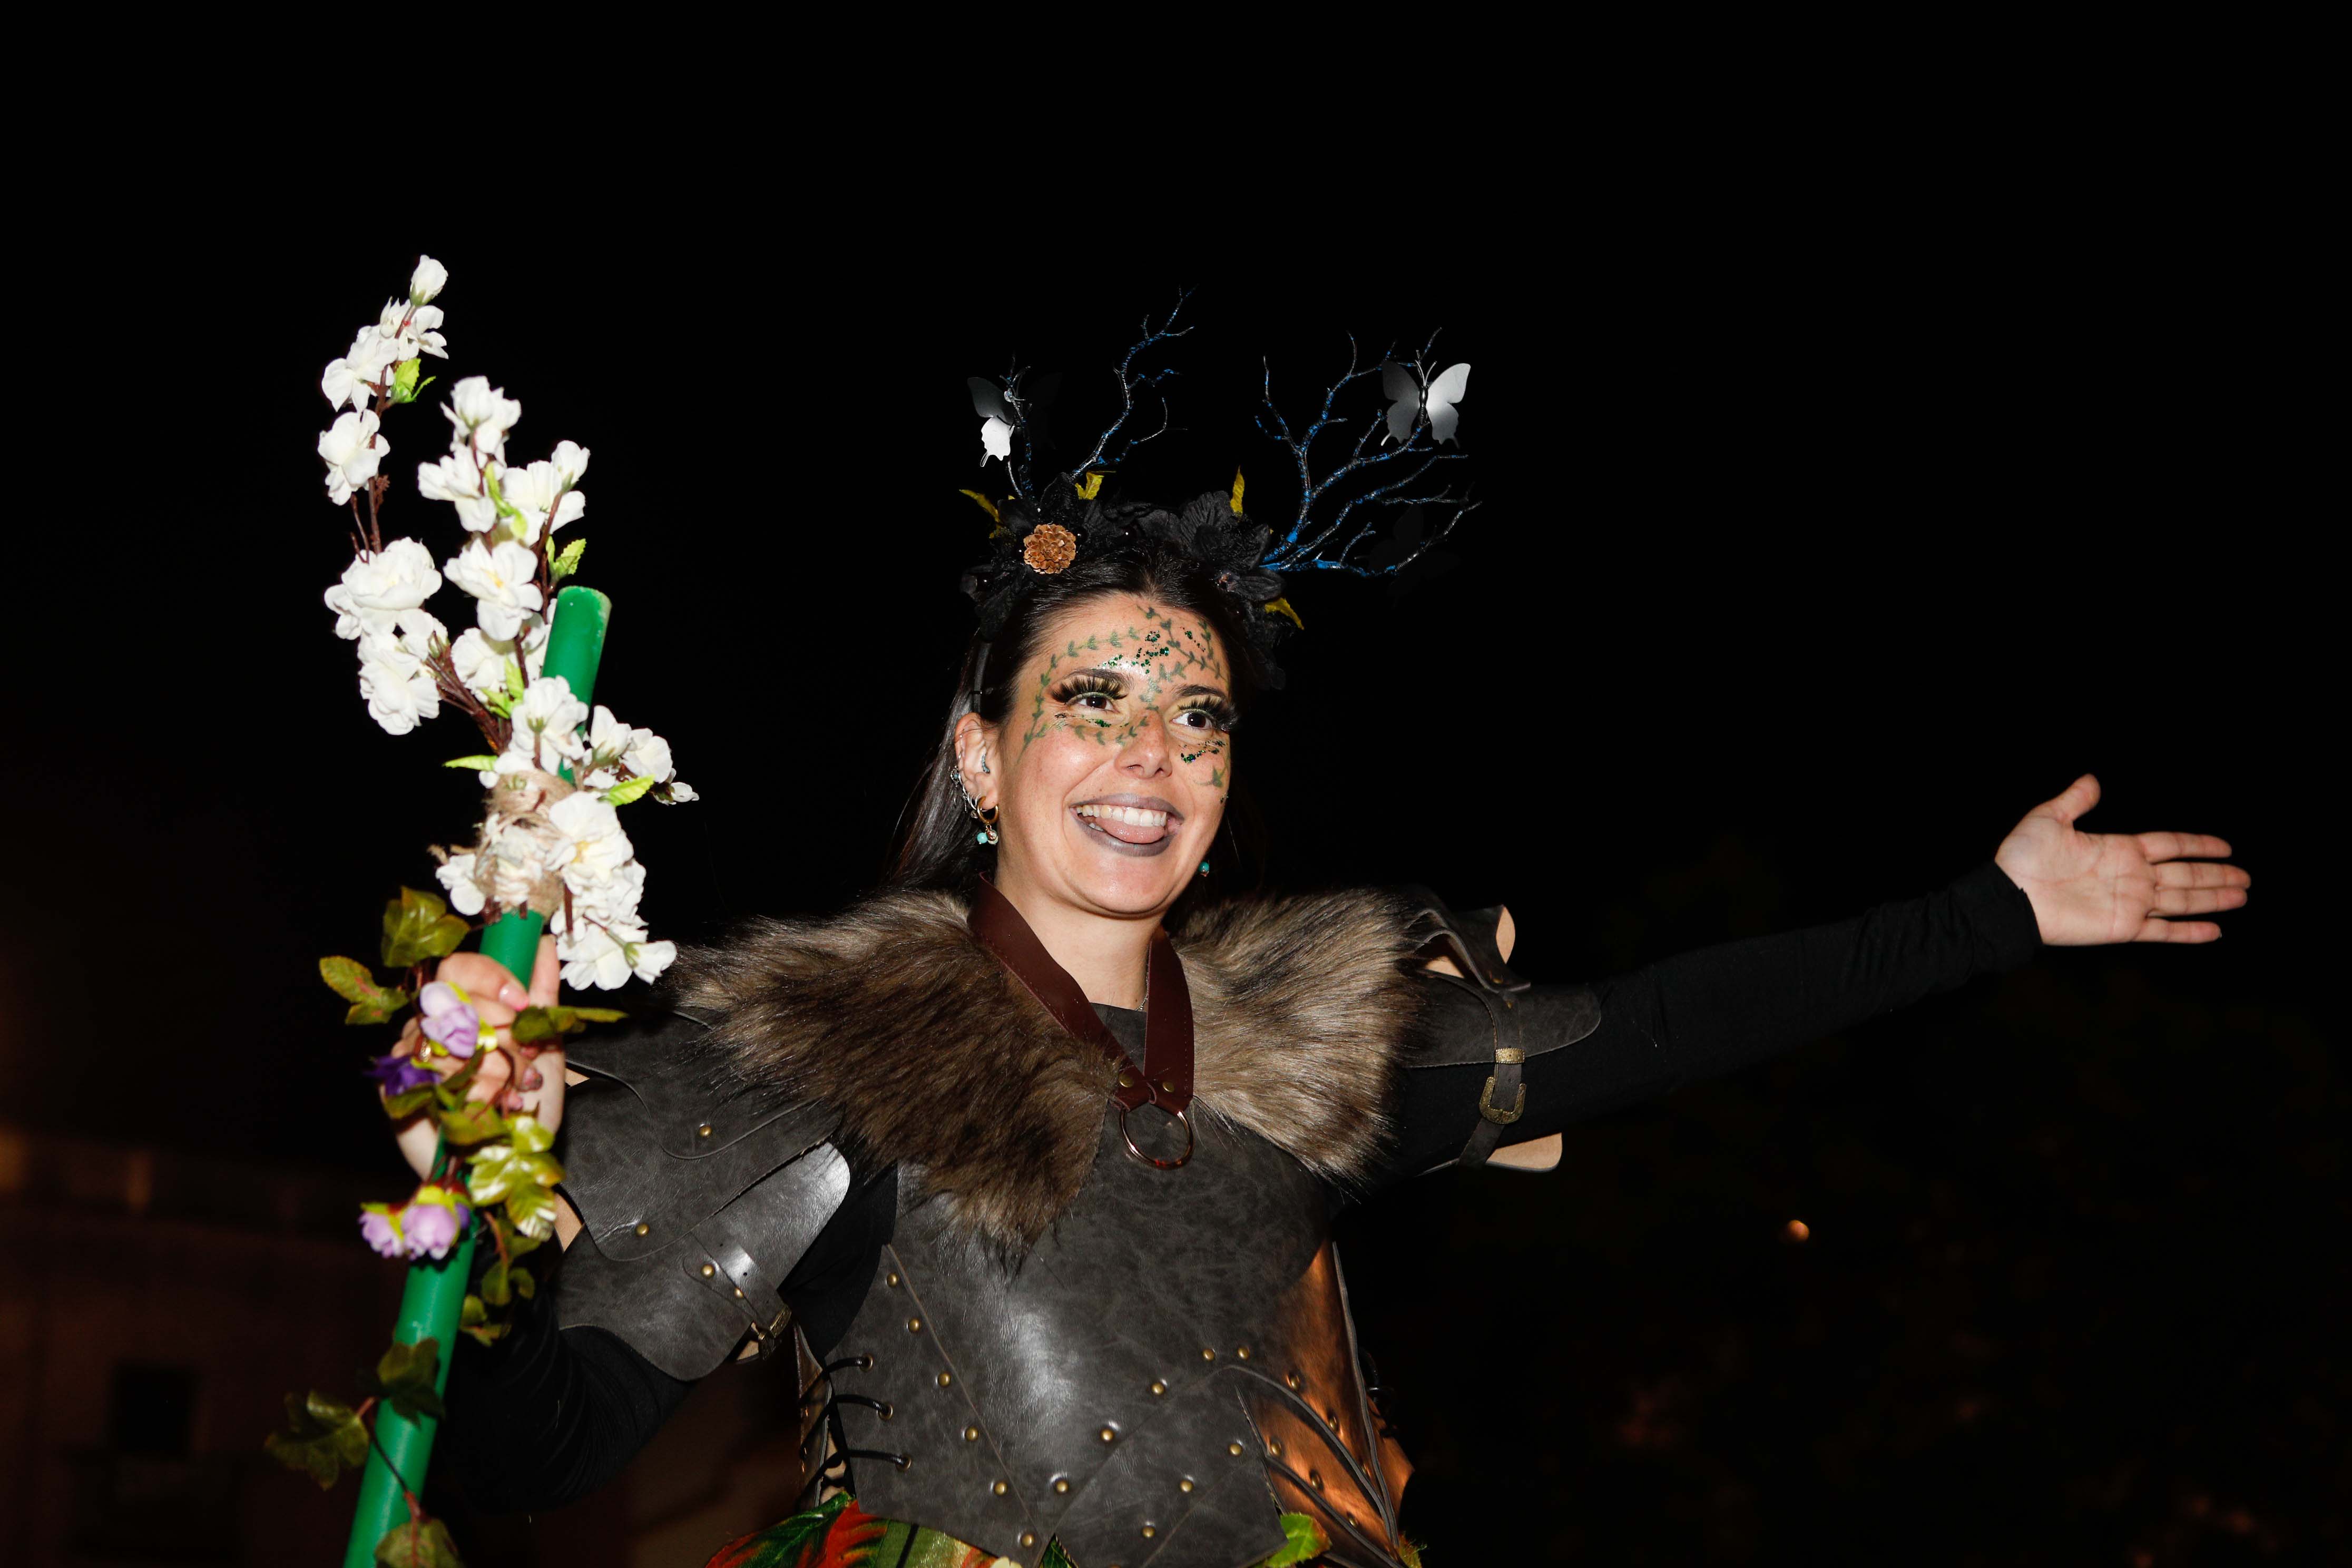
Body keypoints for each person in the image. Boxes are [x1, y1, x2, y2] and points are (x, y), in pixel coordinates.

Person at [391, 488, 2247, 1568]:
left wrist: (1990, 916)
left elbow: (1674, 1024)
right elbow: (524, 1456)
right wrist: (472, 1202)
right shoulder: (832, 1047)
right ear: (981, 751)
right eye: (1092, 701)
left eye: (1197, 718)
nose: (1151, 755)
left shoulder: (1308, 1042)